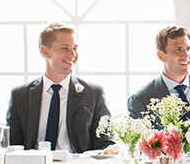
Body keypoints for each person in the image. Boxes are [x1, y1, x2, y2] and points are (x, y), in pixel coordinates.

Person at [6, 22, 113, 152]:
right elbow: (12, 146)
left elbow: (106, 144)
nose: (73, 55)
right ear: (45, 51)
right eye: (65, 48)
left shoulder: (94, 93)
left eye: (75, 48)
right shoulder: (20, 95)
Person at [127, 25, 190, 155]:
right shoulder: (141, 99)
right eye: (178, 50)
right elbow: (139, 151)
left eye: (188, 49)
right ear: (161, 56)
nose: (186, 55)